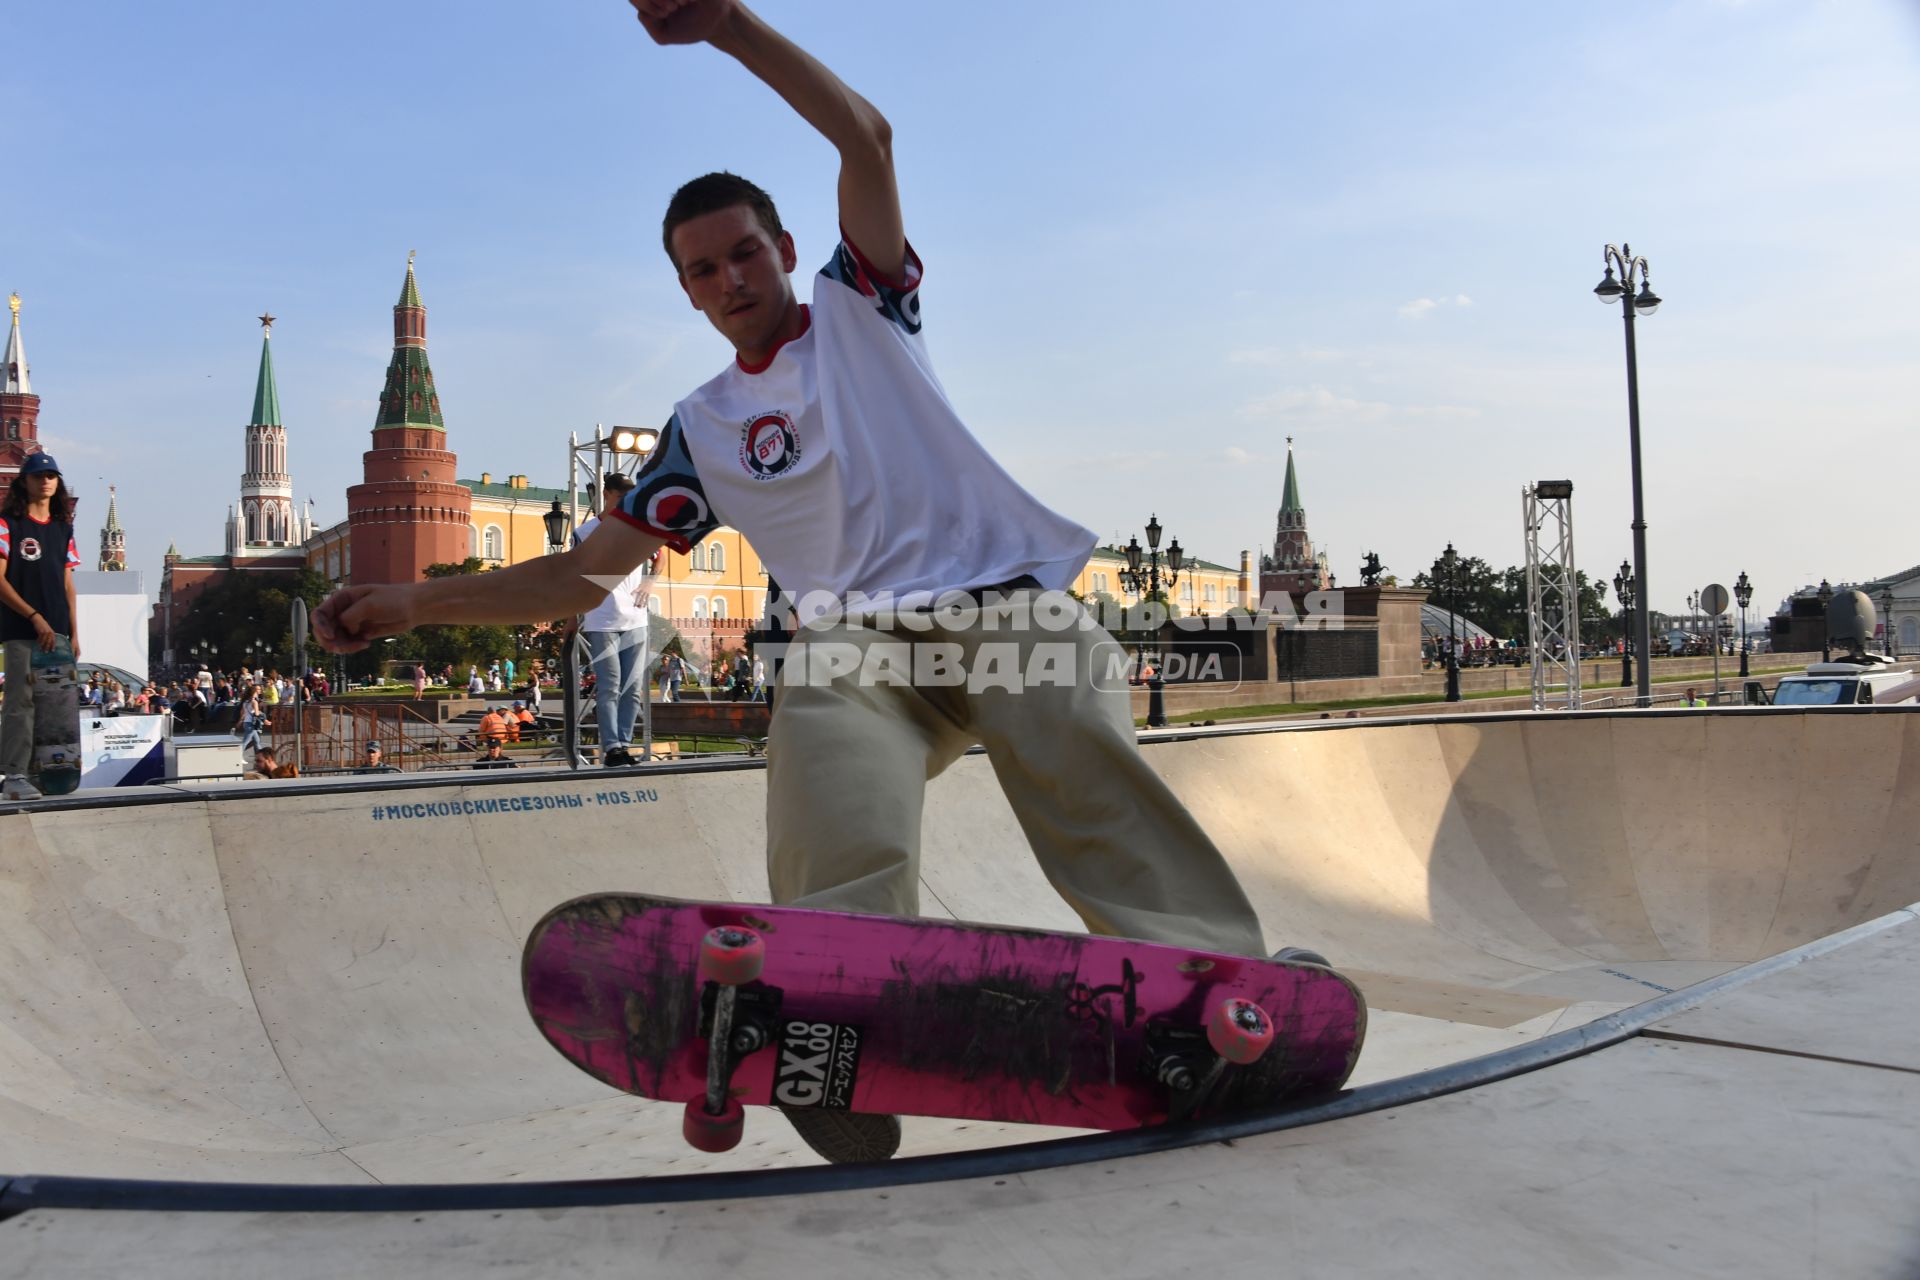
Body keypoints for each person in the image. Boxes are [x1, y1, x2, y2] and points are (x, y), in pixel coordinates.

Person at [314, 0, 1282, 1165]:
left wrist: (727, 26)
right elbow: (582, 575)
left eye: (745, 253)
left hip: (1002, 607)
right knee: (821, 741)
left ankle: (1225, 980)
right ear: (685, 291)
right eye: (702, 269)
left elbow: (865, 139)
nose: (730, 278)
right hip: (861, 652)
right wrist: (413, 602)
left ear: (785, 250)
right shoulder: (701, 429)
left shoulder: (866, 308)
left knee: (1065, 729)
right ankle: (852, 1013)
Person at [0, 453, 81, 801]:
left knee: (57, 709)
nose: (46, 480)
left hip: (58, 636)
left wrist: (74, 631)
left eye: (52, 475)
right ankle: (14, 775)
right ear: (25, 481)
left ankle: (48, 774)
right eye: (38, 475)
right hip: (21, 631)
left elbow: (67, 583)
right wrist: (34, 616)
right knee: (21, 703)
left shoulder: (64, 528)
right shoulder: (7, 524)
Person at [577, 473, 651, 768]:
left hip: (636, 618)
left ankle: (624, 744)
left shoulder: (637, 528)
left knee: (633, 688)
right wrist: (572, 619)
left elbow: (661, 554)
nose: (626, 503)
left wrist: (651, 580)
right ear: (608, 495)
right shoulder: (585, 532)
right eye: (622, 497)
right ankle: (611, 747)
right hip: (602, 619)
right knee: (610, 685)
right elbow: (573, 578)